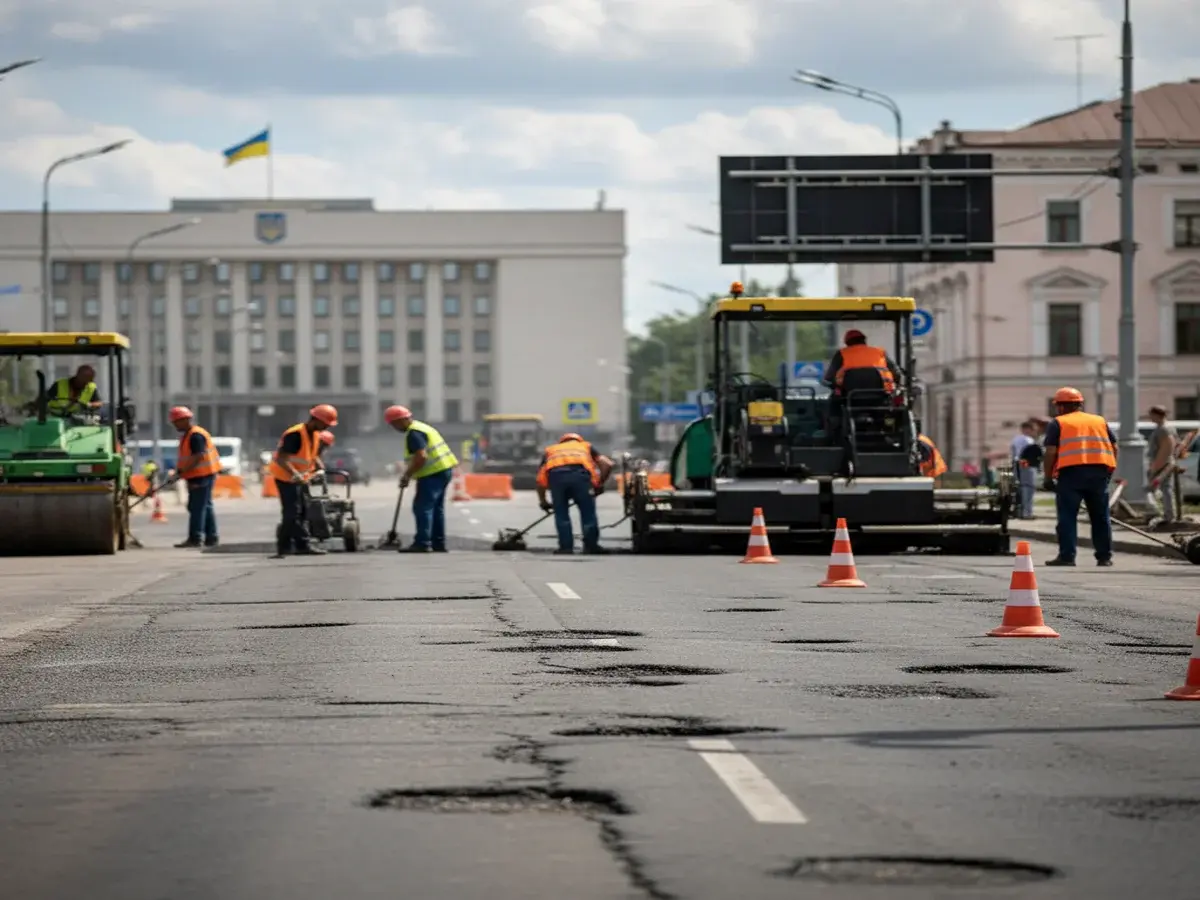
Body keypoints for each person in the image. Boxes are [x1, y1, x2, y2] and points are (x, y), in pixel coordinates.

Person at [1041, 386, 1117, 567]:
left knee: (1067, 517)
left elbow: (1051, 452)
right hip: (1098, 473)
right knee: (1100, 517)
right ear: (1080, 404)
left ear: (1060, 406)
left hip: (1071, 475)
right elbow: (1115, 447)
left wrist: (1047, 477)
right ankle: (1104, 557)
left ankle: (1067, 556)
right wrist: (1109, 470)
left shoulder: (1058, 423)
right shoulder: (1099, 421)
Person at [384, 405, 459, 553]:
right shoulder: (423, 427)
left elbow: (421, 456)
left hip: (432, 474)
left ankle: (423, 542)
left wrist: (407, 475)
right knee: (436, 508)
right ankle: (438, 543)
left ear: (401, 420)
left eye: (394, 424)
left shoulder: (414, 433)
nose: (395, 428)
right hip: (443, 470)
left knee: (422, 507)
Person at [267, 404, 338, 558]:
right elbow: (281, 458)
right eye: (325, 424)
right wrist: (295, 473)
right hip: (286, 478)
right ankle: (284, 547)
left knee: (304, 512)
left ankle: (302, 545)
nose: (326, 427)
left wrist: (318, 465)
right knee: (292, 513)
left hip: (301, 478)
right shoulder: (295, 434)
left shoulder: (314, 434)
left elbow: (309, 455)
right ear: (316, 420)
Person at [535, 432, 614, 555]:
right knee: (588, 514)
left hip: (557, 479)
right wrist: (599, 484)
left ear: (561, 442)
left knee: (561, 514)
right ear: (579, 440)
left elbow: (540, 479)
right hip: (581, 478)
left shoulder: (550, 450)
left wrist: (543, 501)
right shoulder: (586, 446)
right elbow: (607, 464)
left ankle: (566, 548)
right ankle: (591, 546)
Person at [168, 405, 221, 548]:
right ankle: (211, 537)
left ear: (185, 420)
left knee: (197, 507)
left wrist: (181, 471)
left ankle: (195, 538)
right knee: (206, 506)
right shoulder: (189, 435)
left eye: (176, 422)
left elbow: (198, 456)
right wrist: (180, 471)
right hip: (201, 474)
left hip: (201, 476)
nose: (175, 425)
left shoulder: (196, 435)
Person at [823, 329, 901, 396]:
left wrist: (836, 385)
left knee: (834, 401)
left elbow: (829, 377)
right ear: (864, 341)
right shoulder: (880, 352)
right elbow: (897, 373)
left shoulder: (841, 354)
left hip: (850, 397)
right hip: (881, 395)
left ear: (847, 343)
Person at [1147, 404, 1180, 524]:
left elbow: (1167, 448)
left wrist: (1155, 467)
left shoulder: (1164, 429)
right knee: (1165, 489)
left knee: (1160, 489)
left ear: (1157, 415)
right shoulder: (1166, 428)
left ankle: (1168, 515)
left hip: (1162, 464)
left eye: (1151, 415)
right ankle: (1167, 514)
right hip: (1165, 463)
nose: (1150, 417)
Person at [33, 365, 102, 417]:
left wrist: (90, 404)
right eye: (83, 381)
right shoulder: (60, 384)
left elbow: (99, 403)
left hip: (77, 420)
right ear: (77, 375)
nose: (84, 384)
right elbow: (44, 398)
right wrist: (34, 406)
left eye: (87, 382)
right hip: (55, 417)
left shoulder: (90, 387)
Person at [1011, 420, 1041, 519]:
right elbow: (1031, 454)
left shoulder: (1016, 439)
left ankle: (1020, 511)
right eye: (1033, 429)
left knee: (1020, 488)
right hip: (1026, 463)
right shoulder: (1028, 440)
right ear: (1028, 429)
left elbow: (1014, 454)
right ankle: (1027, 512)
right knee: (1029, 487)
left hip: (1017, 463)